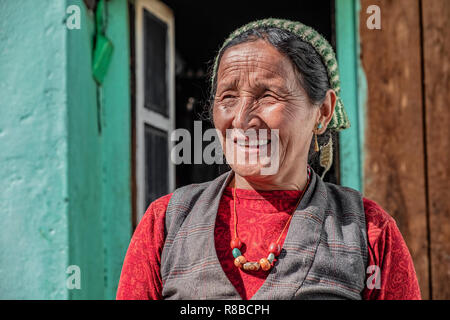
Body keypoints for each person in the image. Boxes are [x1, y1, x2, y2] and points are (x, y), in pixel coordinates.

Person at [117, 18, 421, 300]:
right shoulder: (166, 223)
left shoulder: (368, 231)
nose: (242, 119)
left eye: (268, 96)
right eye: (228, 97)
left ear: (323, 112)